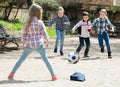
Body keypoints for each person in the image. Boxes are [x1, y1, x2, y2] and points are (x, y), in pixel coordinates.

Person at [8, 4, 57, 81]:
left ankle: (11, 74)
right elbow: (44, 33)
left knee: (21, 59)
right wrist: (47, 42)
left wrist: (23, 44)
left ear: (30, 12)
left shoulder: (26, 23)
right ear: (38, 13)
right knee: (46, 60)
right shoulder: (40, 22)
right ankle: (53, 75)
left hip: (29, 45)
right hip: (39, 44)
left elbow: (24, 35)